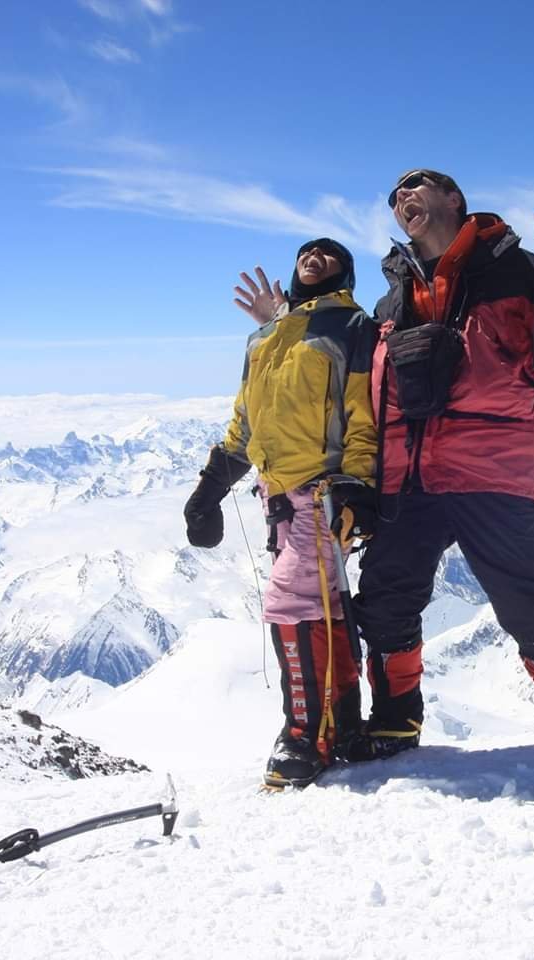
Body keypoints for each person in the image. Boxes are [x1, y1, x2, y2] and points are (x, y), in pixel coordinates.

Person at [348, 169, 534, 761]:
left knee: (527, 603)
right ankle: (396, 719)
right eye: (395, 196)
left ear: (454, 198)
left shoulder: (518, 270)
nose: (403, 197)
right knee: (384, 597)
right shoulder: (391, 298)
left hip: (495, 469)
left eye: (417, 185)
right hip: (409, 476)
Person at [182, 238, 378, 788]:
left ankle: (304, 736)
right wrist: (209, 490)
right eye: (306, 252)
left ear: (345, 274)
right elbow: (246, 423)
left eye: (329, 255)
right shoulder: (265, 338)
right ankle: (342, 726)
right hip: (279, 498)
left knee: (290, 603)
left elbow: (361, 412)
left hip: (323, 492)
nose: (314, 257)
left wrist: (358, 486)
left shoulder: (350, 327)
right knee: (323, 607)